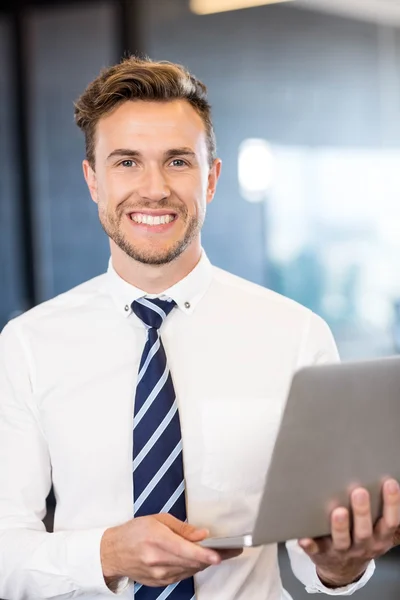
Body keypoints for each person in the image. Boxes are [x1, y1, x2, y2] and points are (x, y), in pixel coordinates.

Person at [0, 56, 399, 600]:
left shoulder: (295, 334)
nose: (154, 188)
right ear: (93, 180)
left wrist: (341, 563)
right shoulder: (27, 345)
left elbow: (320, 563)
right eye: (126, 162)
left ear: (211, 177)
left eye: (178, 161)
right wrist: (107, 555)